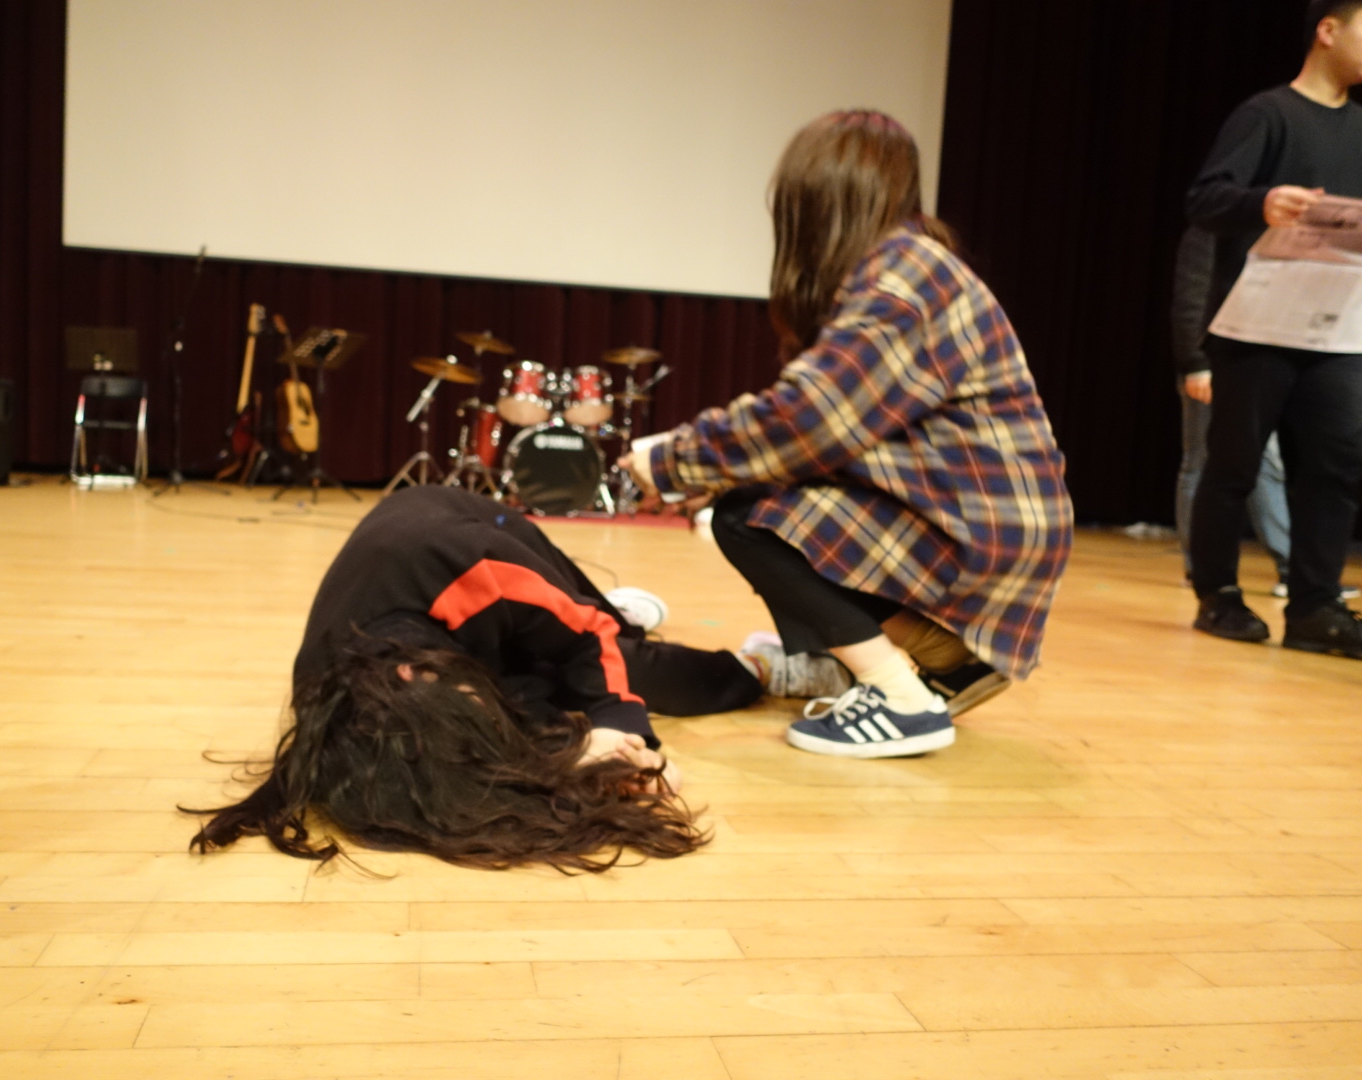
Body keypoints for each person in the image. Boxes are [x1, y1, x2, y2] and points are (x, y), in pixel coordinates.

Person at [623, 109, 1073, 760]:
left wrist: (673, 461)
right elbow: (836, 431)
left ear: (817, 201)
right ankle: (919, 661)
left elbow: (808, 421)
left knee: (750, 516)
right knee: (761, 494)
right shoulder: (905, 266)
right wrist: (713, 468)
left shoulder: (904, 280)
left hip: (981, 526)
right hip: (972, 515)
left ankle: (902, 698)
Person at [183, 485, 838, 872]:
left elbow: (590, 642)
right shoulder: (339, 697)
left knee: (627, 658)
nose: (484, 710)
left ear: (415, 671)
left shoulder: (475, 567)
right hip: (453, 619)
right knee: (538, 694)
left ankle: (757, 667)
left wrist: (626, 734)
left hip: (474, 531)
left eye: (472, 703)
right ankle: (559, 619)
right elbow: (458, 757)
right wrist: (576, 758)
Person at [1185, 0, 1362, 659]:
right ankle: (1219, 594)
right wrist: (1261, 201)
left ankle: (1315, 605)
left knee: (1333, 468)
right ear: (1328, 30)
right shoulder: (1267, 114)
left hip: (1337, 330)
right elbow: (1204, 199)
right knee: (1234, 464)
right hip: (1257, 326)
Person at [1171, 225, 1293, 592]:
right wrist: (1195, 363)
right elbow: (1190, 296)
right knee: (1202, 461)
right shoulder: (1212, 227)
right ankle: (1199, 566)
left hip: (1258, 361)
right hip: (1214, 360)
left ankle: (1290, 565)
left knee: (1266, 461)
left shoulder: (1281, 231)